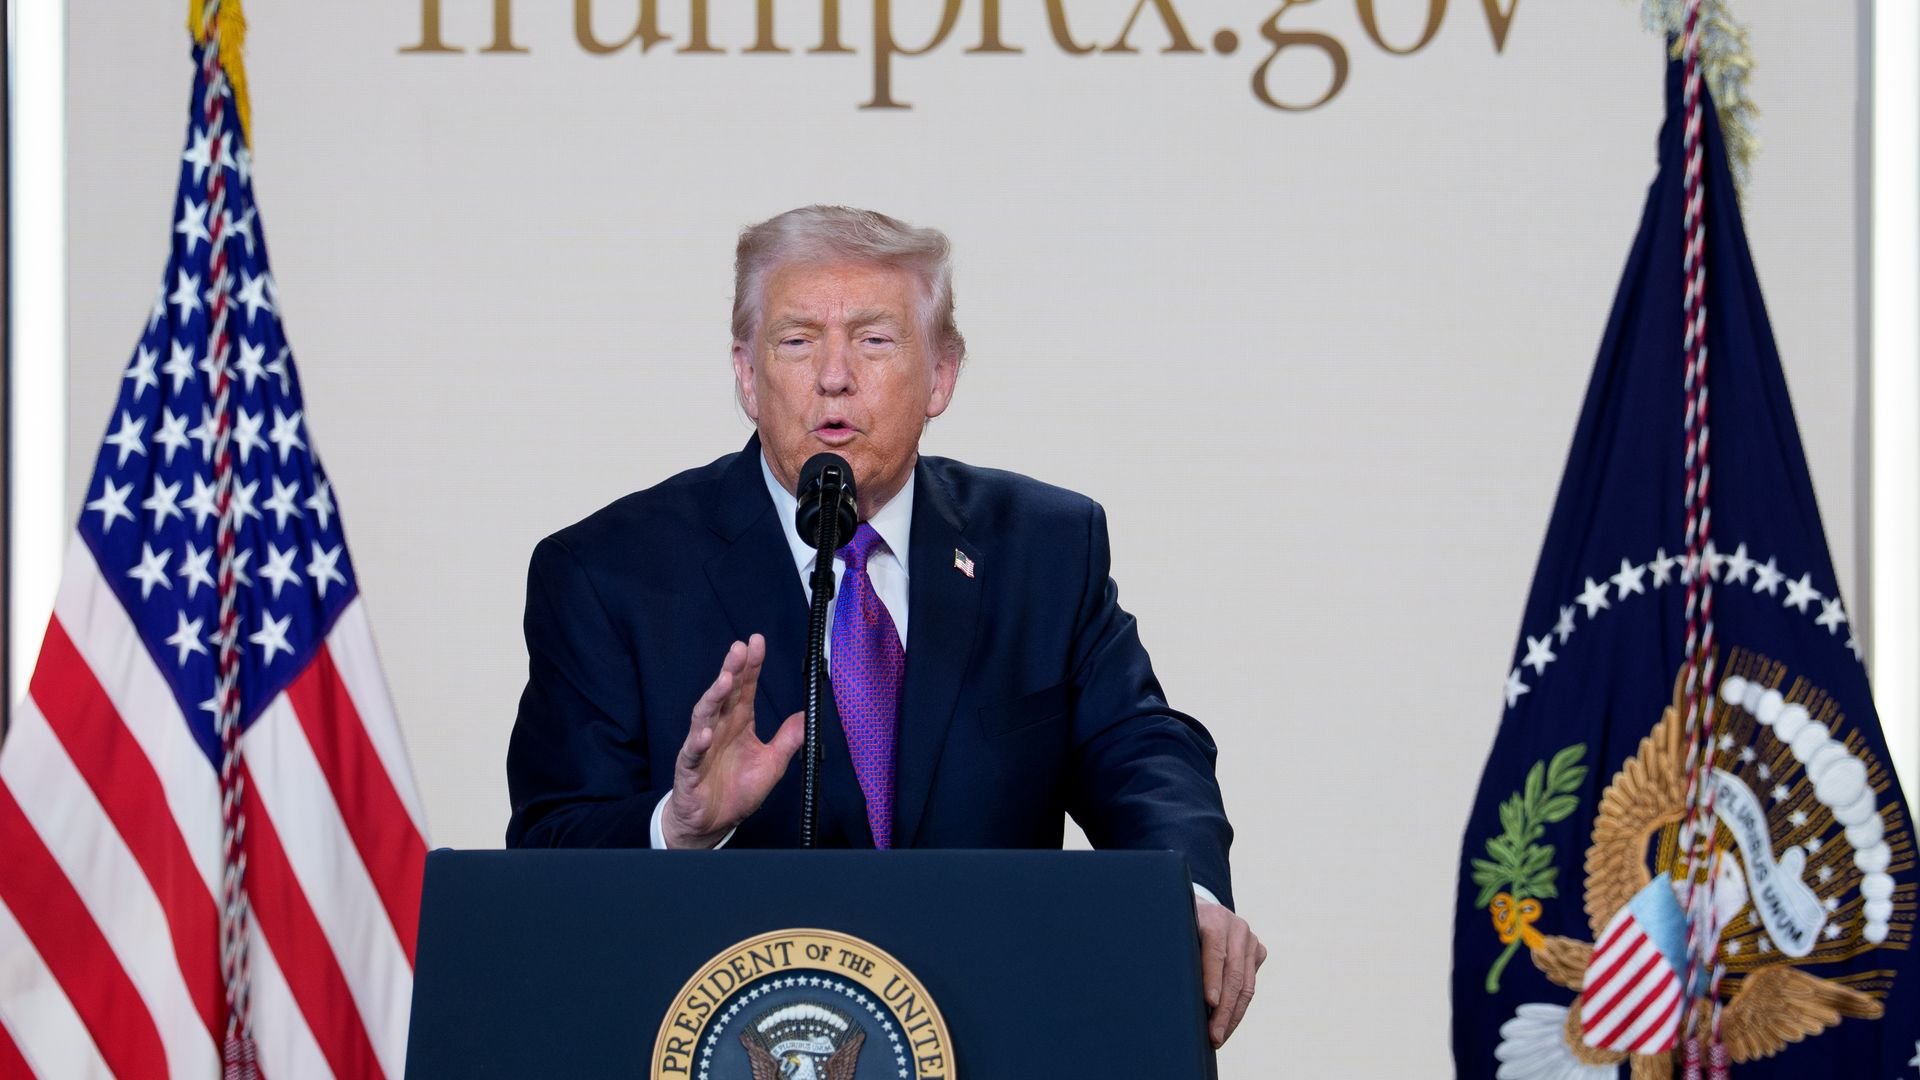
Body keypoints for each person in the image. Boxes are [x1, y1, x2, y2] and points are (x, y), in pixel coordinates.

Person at [505, 205, 1265, 1047]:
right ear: (748, 375)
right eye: (796, 341)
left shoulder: (1044, 546)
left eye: (874, 341)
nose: (834, 376)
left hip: (999, 1028)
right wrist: (678, 829)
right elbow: (550, 849)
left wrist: (1184, 899)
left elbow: (1140, 749)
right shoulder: (609, 571)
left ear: (940, 375)